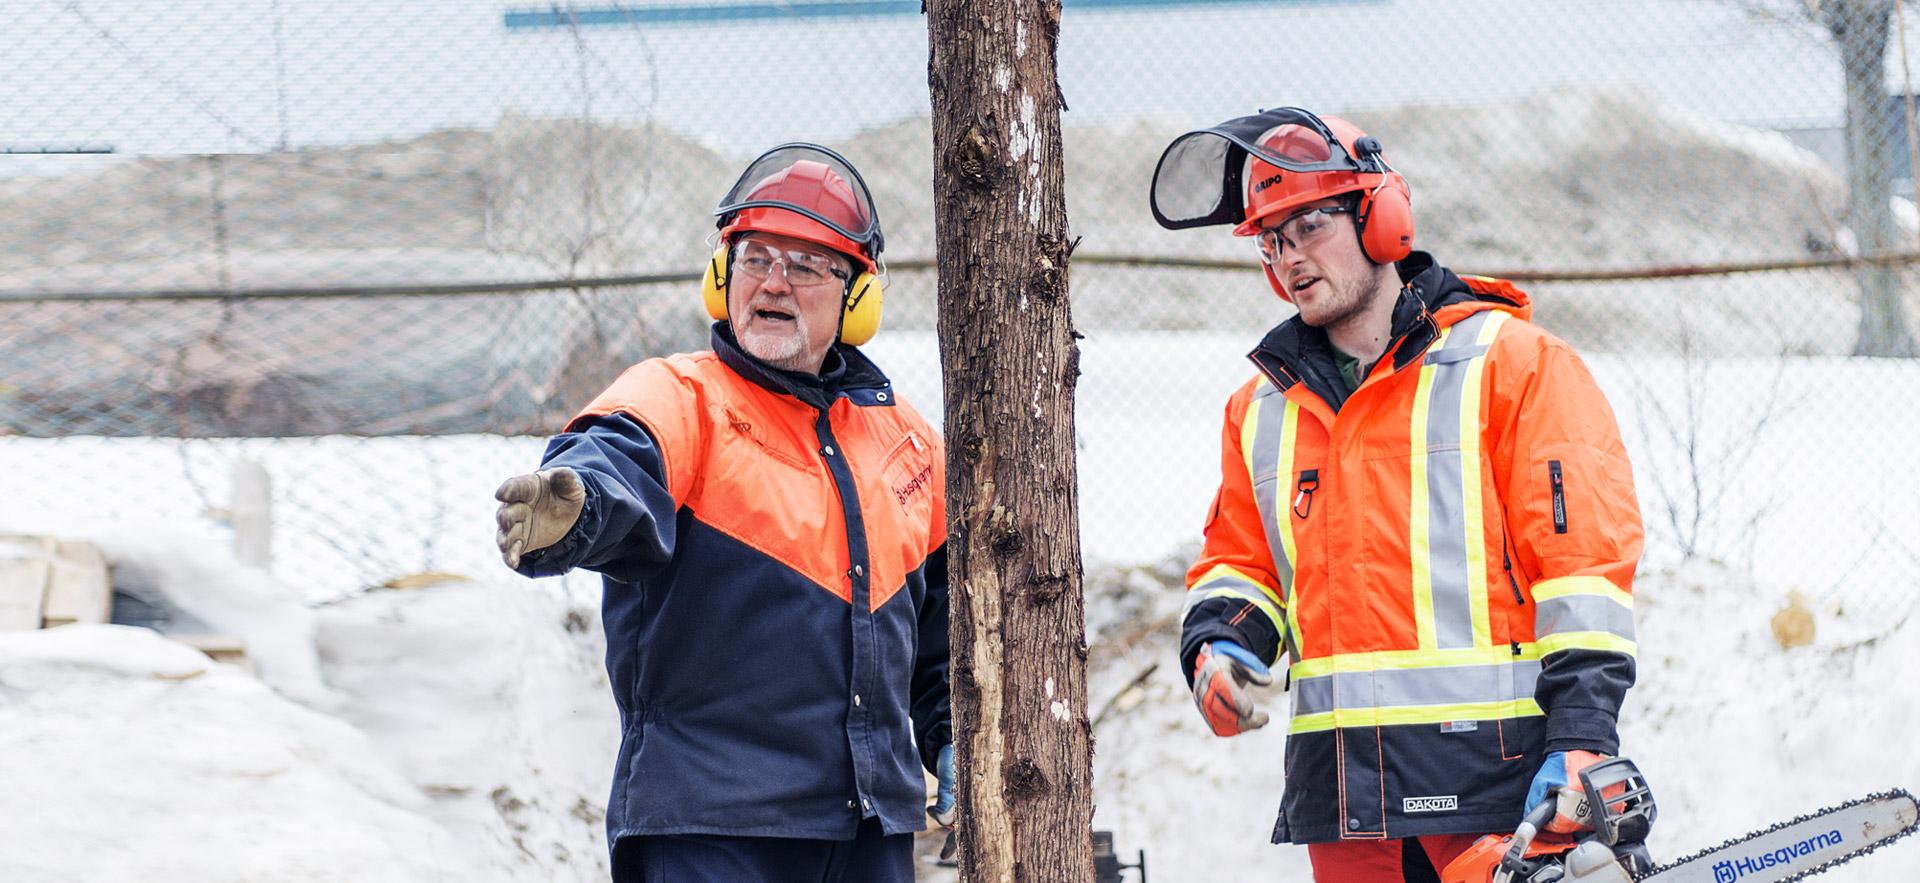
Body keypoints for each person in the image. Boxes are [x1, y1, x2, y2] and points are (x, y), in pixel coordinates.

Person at [1148, 108, 1643, 882]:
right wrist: (1222, 642)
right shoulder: (1260, 410)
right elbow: (1242, 564)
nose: (1290, 259)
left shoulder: (1513, 367)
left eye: (1309, 225)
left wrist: (1583, 737)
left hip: (1497, 792)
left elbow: (1584, 575)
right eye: (1272, 240)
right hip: (1345, 806)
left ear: (1382, 217)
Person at [493, 143, 954, 883]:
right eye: (755, 258)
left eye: (805, 265)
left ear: (857, 296)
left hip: (869, 831)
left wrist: (952, 734)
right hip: (712, 830)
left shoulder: (905, 440)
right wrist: (575, 508)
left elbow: (944, 636)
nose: (774, 282)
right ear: (721, 277)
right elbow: (613, 461)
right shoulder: (679, 397)